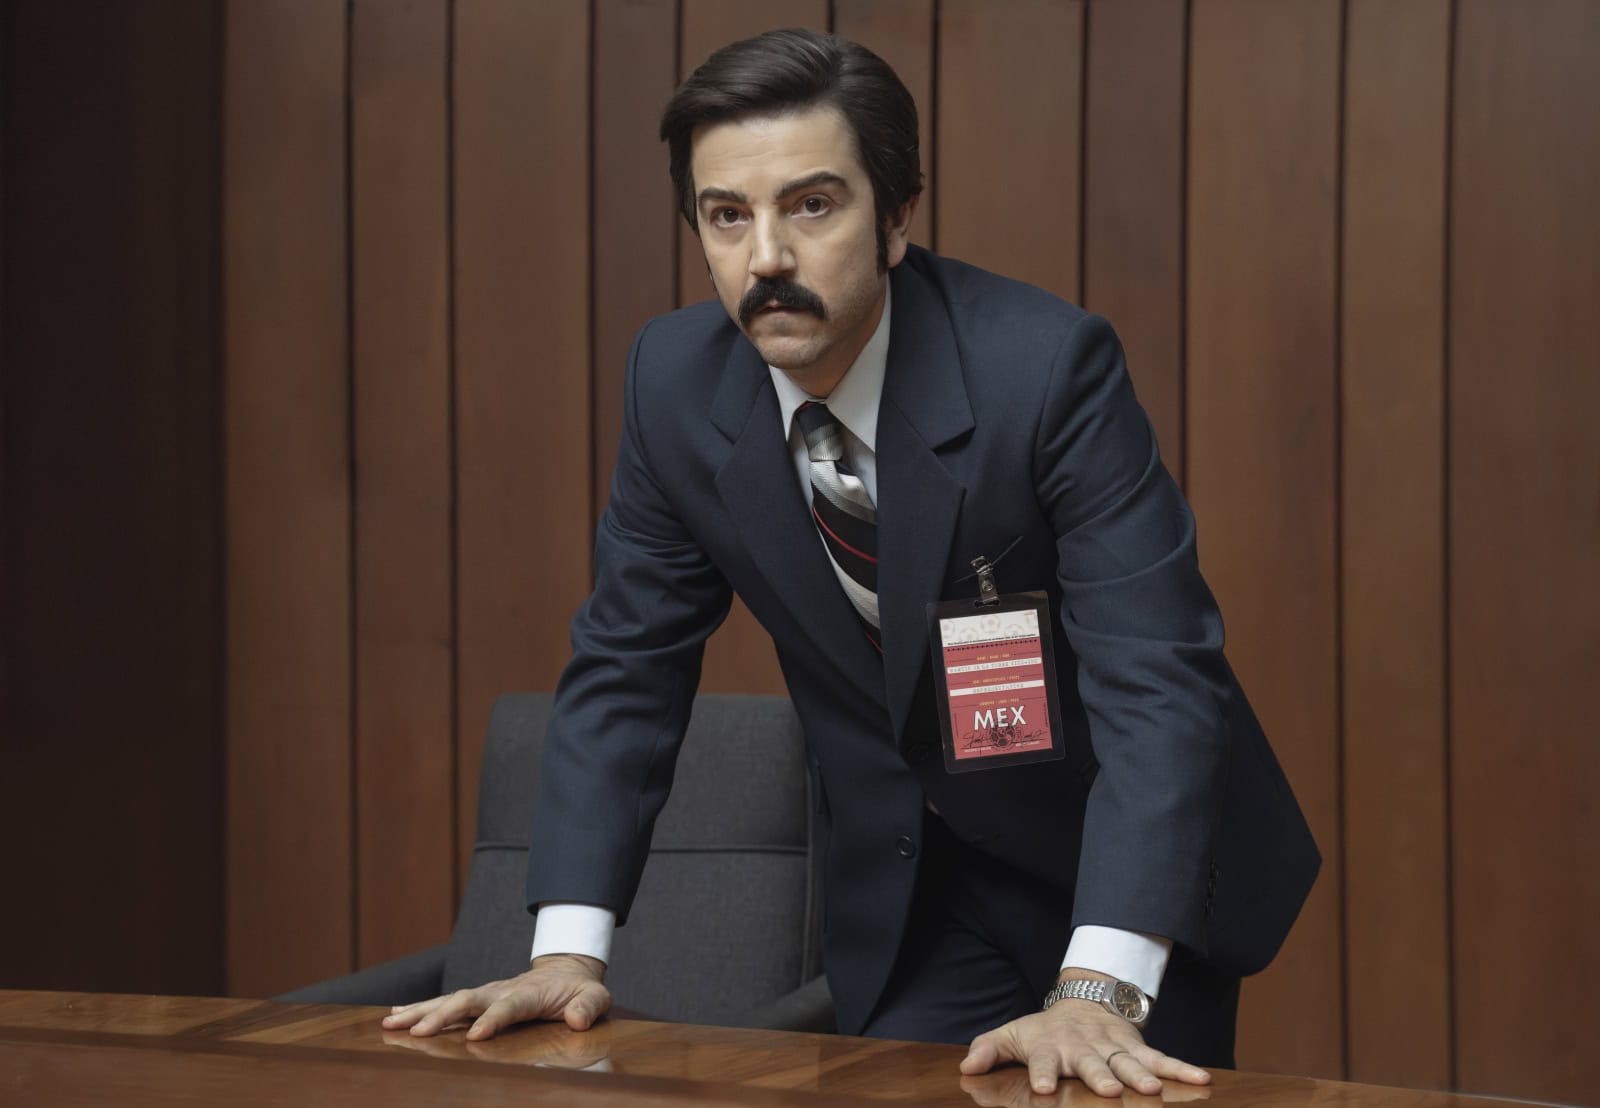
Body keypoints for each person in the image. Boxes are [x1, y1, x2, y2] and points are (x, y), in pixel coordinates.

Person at [385, 28, 1319, 1099]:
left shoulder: (1043, 371)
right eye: (727, 215)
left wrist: (1098, 986)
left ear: (897, 216)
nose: (766, 258)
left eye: (811, 205)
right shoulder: (674, 388)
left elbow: (1158, 682)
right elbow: (627, 669)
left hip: (1124, 871)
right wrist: (566, 952)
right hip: (915, 896)